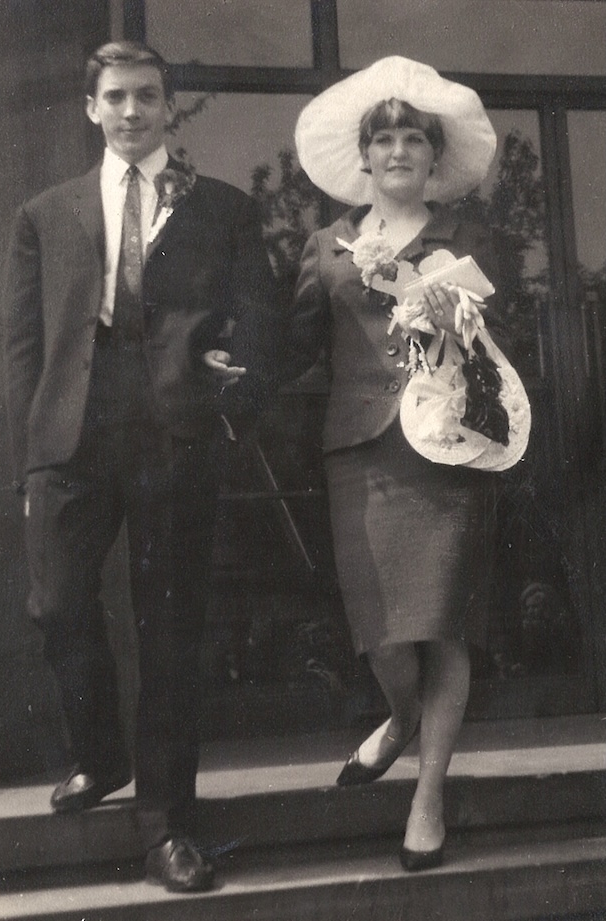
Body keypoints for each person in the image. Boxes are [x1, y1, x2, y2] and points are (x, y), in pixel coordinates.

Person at [3, 40, 279, 893]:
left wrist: (235, 394)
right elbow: (23, 348)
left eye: (147, 97)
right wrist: (32, 458)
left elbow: (263, 322)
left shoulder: (223, 208)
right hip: (71, 442)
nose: (131, 111)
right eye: (115, 97)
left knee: (168, 634)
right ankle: (99, 755)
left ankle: (168, 827)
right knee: (54, 603)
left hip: (174, 436)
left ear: (170, 107)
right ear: (92, 108)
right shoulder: (44, 213)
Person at [285, 56, 510, 871]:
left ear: (431, 155)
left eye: (413, 138)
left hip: (445, 450)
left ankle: (427, 795)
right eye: (383, 140)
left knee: (441, 624)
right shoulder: (326, 244)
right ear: (365, 156)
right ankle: (400, 715)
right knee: (381, 631)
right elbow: (298, 345)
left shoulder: (470, 236)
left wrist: (423, 287)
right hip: (359, 449)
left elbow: (485, 337)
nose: (397, 151)